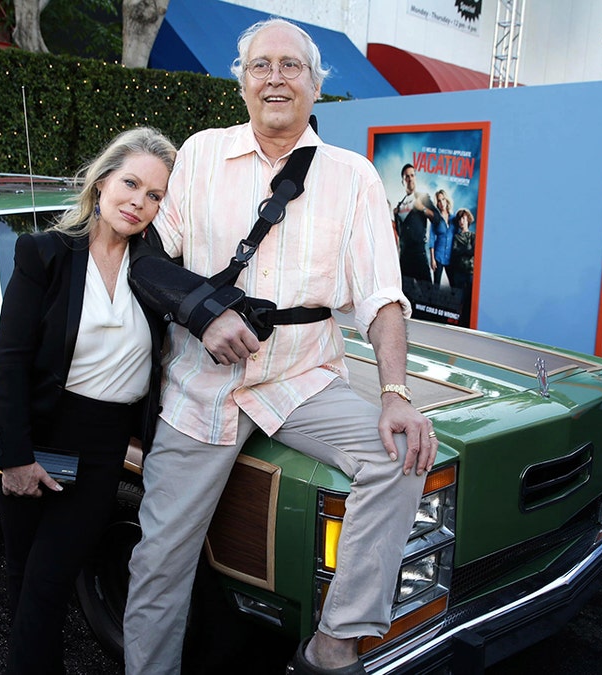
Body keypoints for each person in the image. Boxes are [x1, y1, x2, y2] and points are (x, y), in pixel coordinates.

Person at [122, 18, 438, 675]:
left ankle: (333, 644)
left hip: (303, 380)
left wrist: (395, 393)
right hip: (202, 384)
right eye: (261, 65)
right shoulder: (201, 155)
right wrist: (202, 312)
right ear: (240, 82)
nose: (275, 77)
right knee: (159, 559)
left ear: (317, 84)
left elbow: (382, 298)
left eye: (291, 66)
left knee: (403, 452)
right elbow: (147, 258)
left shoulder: (354, 177)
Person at [0, 127, 175, 674]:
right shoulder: (43, 253)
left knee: (47, 583)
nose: (139, 202)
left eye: (155, 194)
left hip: (103, 446)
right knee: (26, 582)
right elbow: (12, 362)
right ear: (102, 181)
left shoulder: (157, 271)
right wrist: (16, 458)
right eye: (131, 183)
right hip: (37, 434)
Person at [393, 163, 436, 284]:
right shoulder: (399, 206)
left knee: (428, 295)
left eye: (412, 175)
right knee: (404, 297)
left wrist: (422, 208)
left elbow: (437, 219)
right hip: (404, 258)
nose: (410, 178)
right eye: (407, 176)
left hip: (419, 255)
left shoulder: (423, 198)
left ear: (415, 178)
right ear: (403, 181)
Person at [428, 189, 454, 287]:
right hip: (438, 256)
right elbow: (431, 239)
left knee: (454, 285)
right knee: (436, 285)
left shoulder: (454, 218)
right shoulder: (436, 219)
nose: (441, 202)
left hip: (451, 257)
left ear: (446, 200)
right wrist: (432, 259)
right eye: (439, 201)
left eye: (443, 199)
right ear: (437, 204)